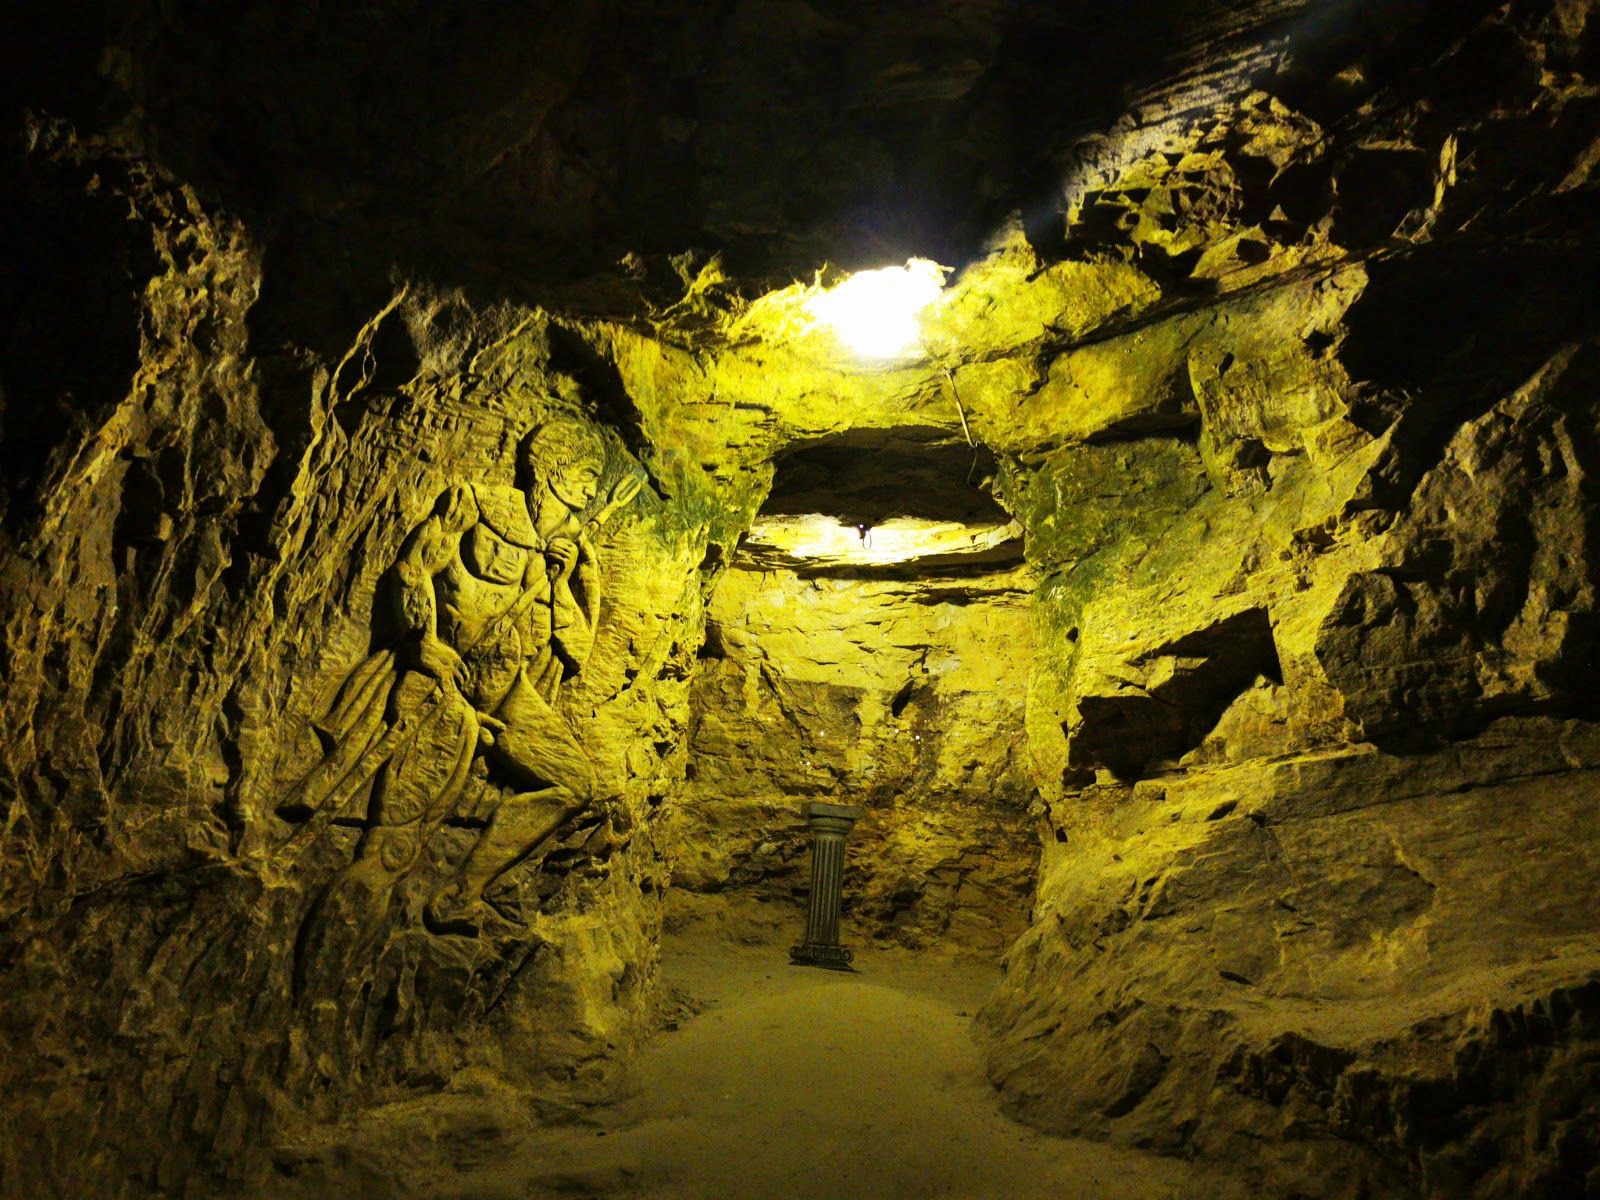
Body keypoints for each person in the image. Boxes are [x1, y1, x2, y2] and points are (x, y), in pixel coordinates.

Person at [302, 417, 640, 934]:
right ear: (552, 469)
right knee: (393, 846)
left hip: (509, 693)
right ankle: (334, 953)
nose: (592, 490)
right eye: (586, 474)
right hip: (445, 684)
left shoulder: (572, 549)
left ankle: (462, 893)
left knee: (575, 783)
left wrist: (562, 580)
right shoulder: (478, 505)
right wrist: (423, 642)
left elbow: (575, 647)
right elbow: (413, 568)